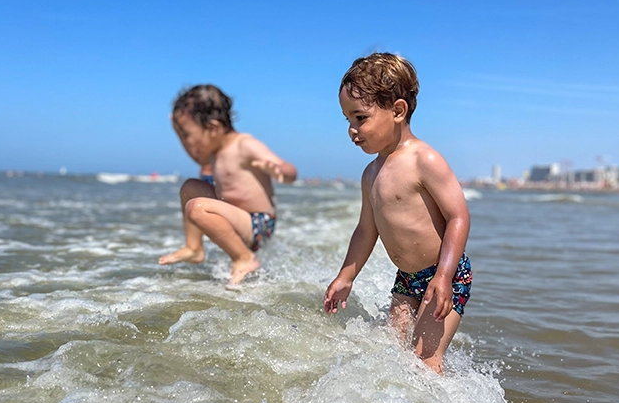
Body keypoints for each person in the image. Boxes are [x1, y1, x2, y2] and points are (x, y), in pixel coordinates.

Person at [323, 53, 472, 375]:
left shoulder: (425, 160)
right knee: (392, 356)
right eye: (347, 120)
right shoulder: (371, 173)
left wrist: (444, 276)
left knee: (425, 363)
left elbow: (458, 217)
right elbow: (366, 230)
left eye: (360, 118)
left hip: (444, 274)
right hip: (406, 279)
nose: (352, 129)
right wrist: (345, 277)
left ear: (398, 111)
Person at [158, 84, 298, 285]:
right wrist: (179, 131)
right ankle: (194, 248)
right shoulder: (215, 150)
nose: (189, 143)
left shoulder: (245, 145)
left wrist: (280, 171)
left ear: (213, 128)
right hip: (234, 214)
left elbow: (290, 170)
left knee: (197, 208)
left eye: (188, 135)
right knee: (190, 187)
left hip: (258, 224)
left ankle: (245, 258)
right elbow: (197, 157)